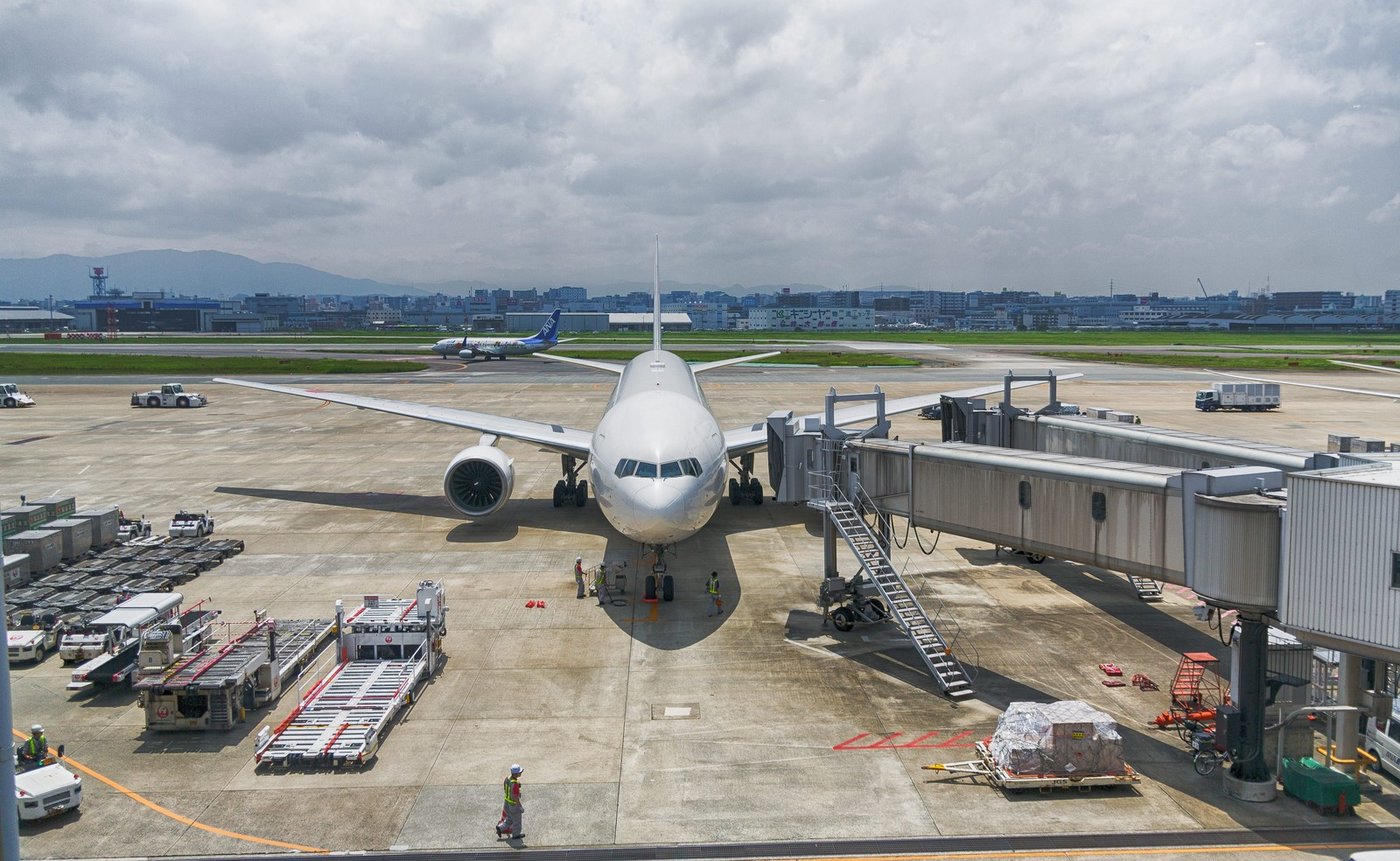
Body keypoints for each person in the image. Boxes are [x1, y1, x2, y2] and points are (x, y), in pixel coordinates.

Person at [497, 763, 524, 840]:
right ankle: (516, 835)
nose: (520, 773)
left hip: (507, 803)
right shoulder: (514, 784)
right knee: (517, 821)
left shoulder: (507, 778)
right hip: (513, 805)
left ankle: (500, 828)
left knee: (509, 818)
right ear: (516, 774)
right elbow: (515, 797)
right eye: (519, 772)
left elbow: (505, 788)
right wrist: (520, 806)